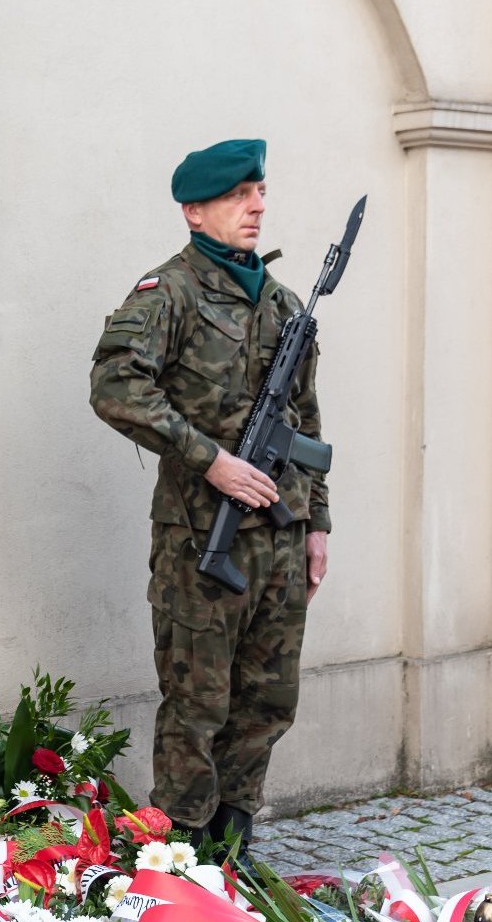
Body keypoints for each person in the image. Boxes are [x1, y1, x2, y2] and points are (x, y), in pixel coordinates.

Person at [88, 139, 330, 857]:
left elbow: (306, 421)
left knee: (265, 703)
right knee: (197, 707)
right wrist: (211, 461)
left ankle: (234, 847)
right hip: (202, 539)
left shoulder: (285, 303)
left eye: (260, 192)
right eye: (238, 195)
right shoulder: (169, 294)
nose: (257, 205)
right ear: (195, 212)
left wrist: (317, 523)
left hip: (280, 538)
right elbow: (115, 388)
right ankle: (181, 858)